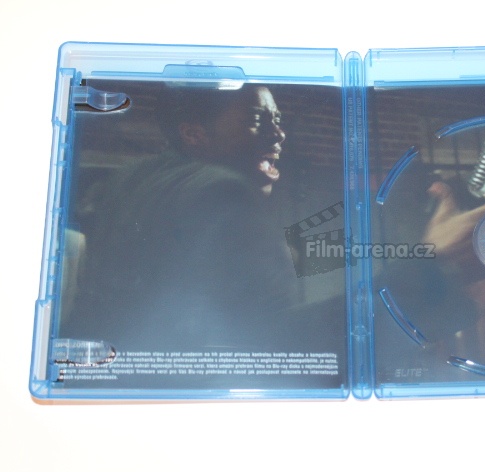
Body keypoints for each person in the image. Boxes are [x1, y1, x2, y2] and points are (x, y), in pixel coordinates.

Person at [64, 84, 321, 352]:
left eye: (277, 120)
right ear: (193, 134)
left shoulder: (127, 179)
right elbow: (270, 327)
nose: (278, 134)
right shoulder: (224, 190)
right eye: (258, 120)